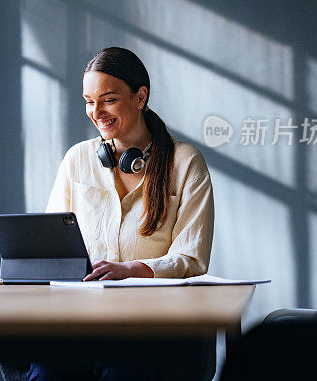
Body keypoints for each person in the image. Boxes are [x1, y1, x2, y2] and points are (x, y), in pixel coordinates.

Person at [27, 47, 215, 381]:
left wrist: (132, 270)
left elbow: (192, 257)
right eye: (88, 101)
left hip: (152, 325)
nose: (96, 111)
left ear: (140, 97)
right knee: (47, 372)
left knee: (125, 373)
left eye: (108, 99)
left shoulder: (186, 162)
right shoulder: (77, 160)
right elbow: (53, 244)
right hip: (81, 322)